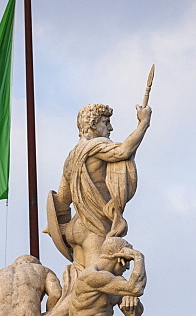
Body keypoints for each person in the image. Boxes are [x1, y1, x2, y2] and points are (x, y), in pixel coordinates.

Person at [48, 102, 152, 257]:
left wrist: (58, 229)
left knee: (81, 279)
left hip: (76, 227)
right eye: (106, 122)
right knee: (99, 278)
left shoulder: (71, 157)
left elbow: (63, 200)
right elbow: (123, 152)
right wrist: (143, 123)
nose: (110, 128)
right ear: (93, 124)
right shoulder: (95, 146)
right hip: (94, 226)